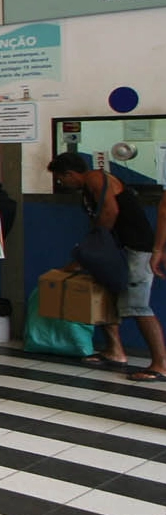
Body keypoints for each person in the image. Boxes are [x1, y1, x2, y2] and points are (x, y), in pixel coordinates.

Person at [47, 151, 166, 380]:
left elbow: (111, 211)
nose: (62, 184)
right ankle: (115, 351)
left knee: (138, 306)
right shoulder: (89, 187)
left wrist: (95, 247)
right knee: (108, 296)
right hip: (120, 250)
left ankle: (160, 364)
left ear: (71, 174)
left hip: (137, 248)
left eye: (61, 179)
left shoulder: (95, 178)